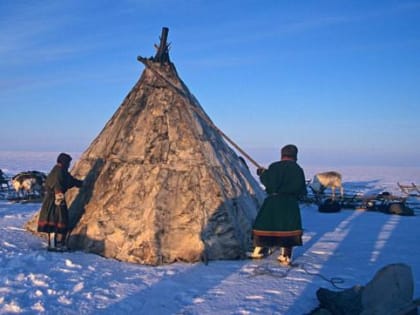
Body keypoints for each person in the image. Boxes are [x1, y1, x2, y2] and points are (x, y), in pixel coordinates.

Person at [248, 144, 307, 265]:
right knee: (288, 229)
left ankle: (257, 251)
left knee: (265, 226)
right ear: (295, 156)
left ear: (282, 154)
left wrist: (262, 174)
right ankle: (285, 256)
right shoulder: (298, 169)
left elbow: (269, 182)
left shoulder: (274, 166)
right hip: (290, 203)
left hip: (273, 201)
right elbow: (302, 190)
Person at [37, 153, 83, 251]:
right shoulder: (58, 171)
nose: (69, 165)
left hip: (57, 199)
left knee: (60, 220)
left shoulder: (62, 171)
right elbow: (57, 184)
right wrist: (59, 197)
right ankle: (53, 245)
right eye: (68, 162)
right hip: (54, 200)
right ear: (64, 162)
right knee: (54, 220)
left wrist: (80, 183)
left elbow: (70, 180)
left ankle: (58, 243)